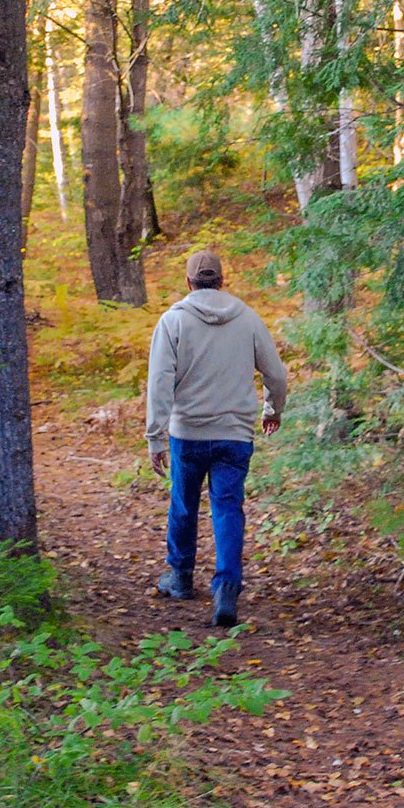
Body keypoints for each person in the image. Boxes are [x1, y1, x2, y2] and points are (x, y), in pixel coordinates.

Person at [145, 250, 289, 627]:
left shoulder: (172, 321)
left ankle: (179, 577)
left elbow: (159, 381)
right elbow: (276, 375)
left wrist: (155, 435)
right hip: (235, 435)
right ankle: (226, 587)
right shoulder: (248, 318)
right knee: (227, 508)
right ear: (222, 281)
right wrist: (272, 411)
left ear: (189, 283)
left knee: (183, 504)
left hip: (188, 432)